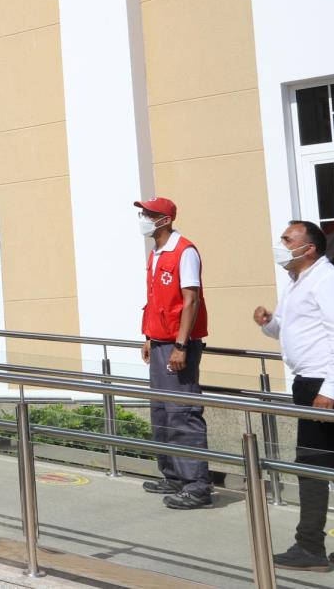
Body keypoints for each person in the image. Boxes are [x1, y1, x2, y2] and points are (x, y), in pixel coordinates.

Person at [256, 221, 334, 571]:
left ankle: (310, 547)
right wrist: (267, 322)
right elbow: (285, 330)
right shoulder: (296, 281)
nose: (282, 244)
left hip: (323, 384)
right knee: (314, 466)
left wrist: (330, 390)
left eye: (288, 240)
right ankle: (310, 545)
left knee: (313, 466)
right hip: (309, 383)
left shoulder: (326, 279)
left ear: (310, 248)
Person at [135, 197, 212, 509]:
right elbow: (157, 301)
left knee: (183, 414)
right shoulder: (157, 252)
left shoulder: (184, 251)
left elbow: (190, 300)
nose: (143, 218)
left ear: (164, 220)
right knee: (162, 413)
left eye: (148, 214)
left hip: (179, 345)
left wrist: (180, 344)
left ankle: (197, 486)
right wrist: (150, 336)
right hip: (160, 342)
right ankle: (173, 476)